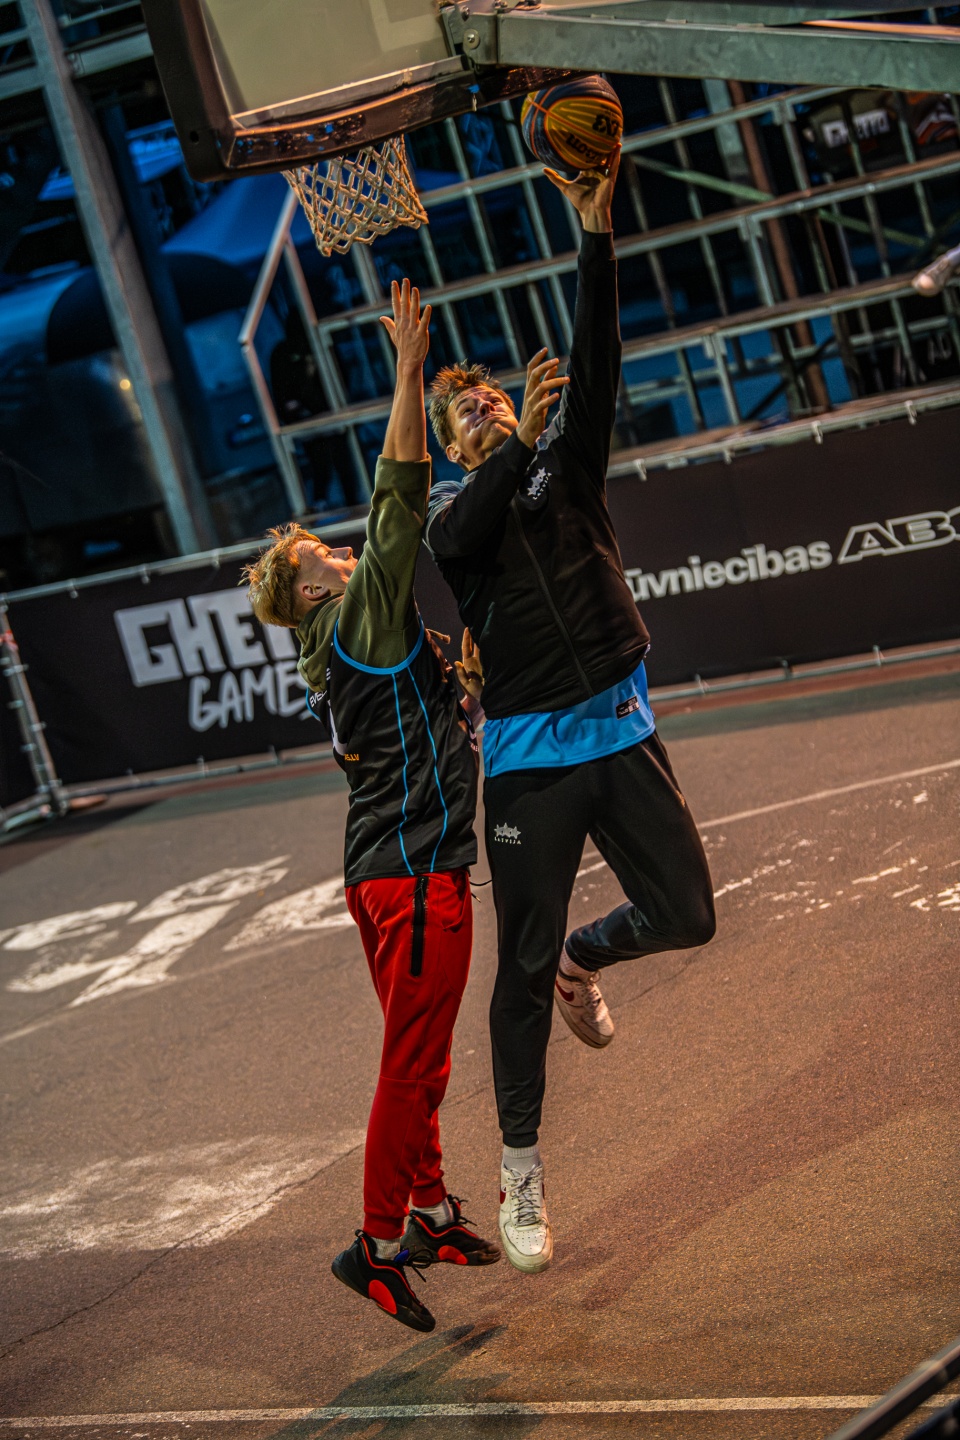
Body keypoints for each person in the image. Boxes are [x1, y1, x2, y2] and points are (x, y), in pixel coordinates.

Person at [424, 148, 716, 1274]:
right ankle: (522, 1174)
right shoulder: (458, 515)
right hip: (531, 770)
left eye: (491, 393)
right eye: (466, 410)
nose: (485, 403)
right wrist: (512, 444)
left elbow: (597, 357)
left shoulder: (563, 465)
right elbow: (464, 528)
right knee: (516, 971)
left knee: (688, 917)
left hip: (622, 733)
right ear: (453, 444)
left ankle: (584, 957)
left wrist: (596, 228)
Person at [244, 279, 499, 1334]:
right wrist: (406, 371)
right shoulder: (355, 621)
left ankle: (430, 1211)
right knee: (412, 1065)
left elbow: (412, 720)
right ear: (313, 590)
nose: (346, 557)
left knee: (419, 1052)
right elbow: (398, 502)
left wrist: (461, 693)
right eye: (329, 558)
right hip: (413, 876)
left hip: (383, 873)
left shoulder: (339, 645)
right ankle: (378, 1244)